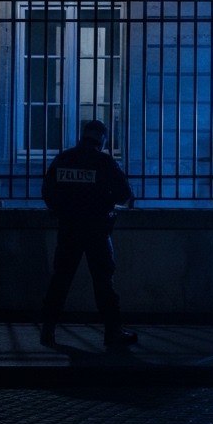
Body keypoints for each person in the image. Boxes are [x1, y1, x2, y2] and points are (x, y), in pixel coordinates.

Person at [40, 119, 137, 348]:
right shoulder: (103, 162)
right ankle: (112, 333)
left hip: (69, 229)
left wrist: (63, 209)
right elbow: (124, 193)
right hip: (97, 229)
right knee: (104, 282)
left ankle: (47, 330)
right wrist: (103, 201)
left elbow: (47, 192)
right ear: (102, 138)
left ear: (83, 135)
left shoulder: (63, 158)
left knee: (60, 280)